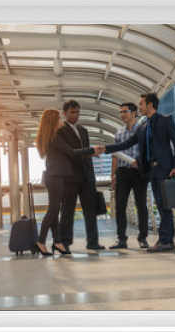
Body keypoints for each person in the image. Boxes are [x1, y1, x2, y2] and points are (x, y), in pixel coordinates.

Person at [101, 93, 175, 252]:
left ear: (150, 105)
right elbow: (127, 143)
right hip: (151, 170)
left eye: (141, 104)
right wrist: (105, 149)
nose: (139, 107)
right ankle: (167, 241)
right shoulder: (143, 126)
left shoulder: (165, 120)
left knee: (164, 205)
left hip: (164, 168)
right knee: (161, 205)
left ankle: (165, 240)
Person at [34, 108, 102, 256]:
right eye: (58, 118)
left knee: (54, 210)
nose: (60, 121)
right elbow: (71, 152)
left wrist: (88, 153)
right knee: (52, 211)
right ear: (53, 120)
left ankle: (57, 242)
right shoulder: (55, 136)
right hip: (56, 176)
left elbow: (68, 154)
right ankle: (40, 241)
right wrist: (91, 150)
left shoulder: (48, 137)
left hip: (54, 176)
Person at [58, 100, 106, 251]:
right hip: (70, 178)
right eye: (72, 112)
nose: (76, 115)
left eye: (77, 112)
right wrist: (91, 151)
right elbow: (69, 154)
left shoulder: (83, 130)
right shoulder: (59, 131)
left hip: (87, 177)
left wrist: (91, 155)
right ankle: (64, 243)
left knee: (90, 212)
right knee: (67, 212)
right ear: (65, 113)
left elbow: (84, 154)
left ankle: (93, 242)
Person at [109, 102, 149, 249]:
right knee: (120, 206)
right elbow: (115, 155)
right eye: (120, 112)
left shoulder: (143, 129)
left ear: (133, 113)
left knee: (141, 205)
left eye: (125, 111)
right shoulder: (119, 133)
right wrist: (112, 175)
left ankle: (143, 238)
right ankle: (121, 239)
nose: (122, 115)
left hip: (139, 172)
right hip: (122, 172)